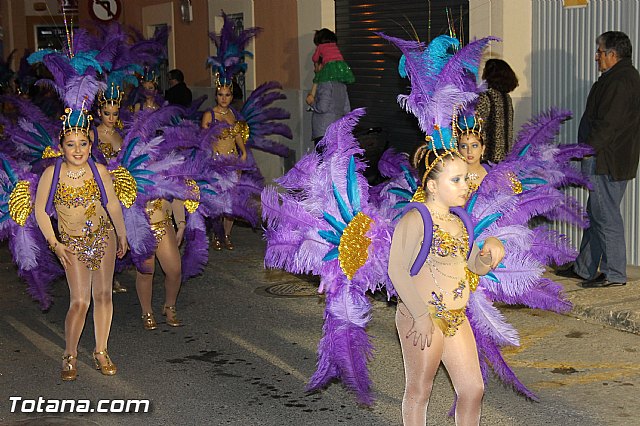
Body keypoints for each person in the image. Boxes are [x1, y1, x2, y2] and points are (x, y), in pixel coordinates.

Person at [388, 142, 505, 425]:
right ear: (431, 185)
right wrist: (419, 315)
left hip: (455, 317)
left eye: (466, 178)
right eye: (455, 180)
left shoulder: (460, 222)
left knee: (472, 389)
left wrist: (490, 249)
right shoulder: (416, 219)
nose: (465, 185)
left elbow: (473, 265)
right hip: (422, 315)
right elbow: (397, 270)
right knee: (420, 390)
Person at [34, 112, 128, 381]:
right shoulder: (52, 175)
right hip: (71, 245)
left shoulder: (99, 171)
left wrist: (121, 235)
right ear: (61, 147)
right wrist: (55, 244)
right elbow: (40, 212)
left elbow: (111, 203)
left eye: (83, 143)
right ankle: (70, 354)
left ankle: (101, 351)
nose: (78, 150)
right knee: (79, 301)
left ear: (91, 145)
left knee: (104, 296)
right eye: (71, 144)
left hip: (103, 237)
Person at [557, 31, 640, 288]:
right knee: (597, 213)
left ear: (612, 55)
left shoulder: (619, 81)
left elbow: (608, 125)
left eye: (600, 52)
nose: (596, 57)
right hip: (609, 158)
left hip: (606, 160)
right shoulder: (620, 78)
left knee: (606, 217)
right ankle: (585, 267)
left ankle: (614, 273)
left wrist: (585, 150)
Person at [201, 83, 248, 250]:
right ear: (216, 96)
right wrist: (210, 158)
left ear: (231, 97)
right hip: (216, 164)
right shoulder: (210, 115)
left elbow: (237, 135)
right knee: (217, 202)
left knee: (232, 202)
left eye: (227, 95)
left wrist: (243, 152)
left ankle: (227, 235)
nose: (224, 98)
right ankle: (217, 235)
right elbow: (204, 140)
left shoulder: (232, 114)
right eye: (221, 94)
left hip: (233, 163)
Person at [94, 86, 128, 294]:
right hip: (99, 190)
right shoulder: (92, 134)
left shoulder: (120, 135)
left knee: (116, 232)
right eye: (107, 113)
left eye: (115, 114)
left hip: (120, 191)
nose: (111, 118)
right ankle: (100, 278)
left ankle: (112, 275)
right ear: (99, 113)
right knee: (101, 233)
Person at [135, 197, 186, 330]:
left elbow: (176, 191)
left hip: (163, 223)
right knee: (146, 271)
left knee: (174, 270)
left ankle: (170, 305)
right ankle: (146, 311)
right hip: (139, 226)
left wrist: (181, 223)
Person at [475, 59, 518, 163]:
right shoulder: (507, 98)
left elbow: (476, 125)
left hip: (488, 157)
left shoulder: (485, 96)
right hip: (505, 155)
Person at [305, 28, 355, 107]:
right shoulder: (334, 45)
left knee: (322, 78)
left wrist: (315, 59)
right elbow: (346, 108)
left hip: (329, 65)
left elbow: (315, 58)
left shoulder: (321, 47)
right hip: (340, 65)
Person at [309, 60, 351, 144]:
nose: (314, 69)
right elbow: (347, 109)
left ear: (321, 66)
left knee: (323, 156)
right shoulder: (341, 84)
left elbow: (322, 107)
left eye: (316, 66)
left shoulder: (324, 83)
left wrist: (312, 102)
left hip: (323, 130)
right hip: (336, 131)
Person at [457, 114, 488, 194]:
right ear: (458, 150)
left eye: (474, 145)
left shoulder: (495, 174)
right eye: (464, 146)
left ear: (482, 149)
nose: (469, 151)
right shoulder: (451, 176)